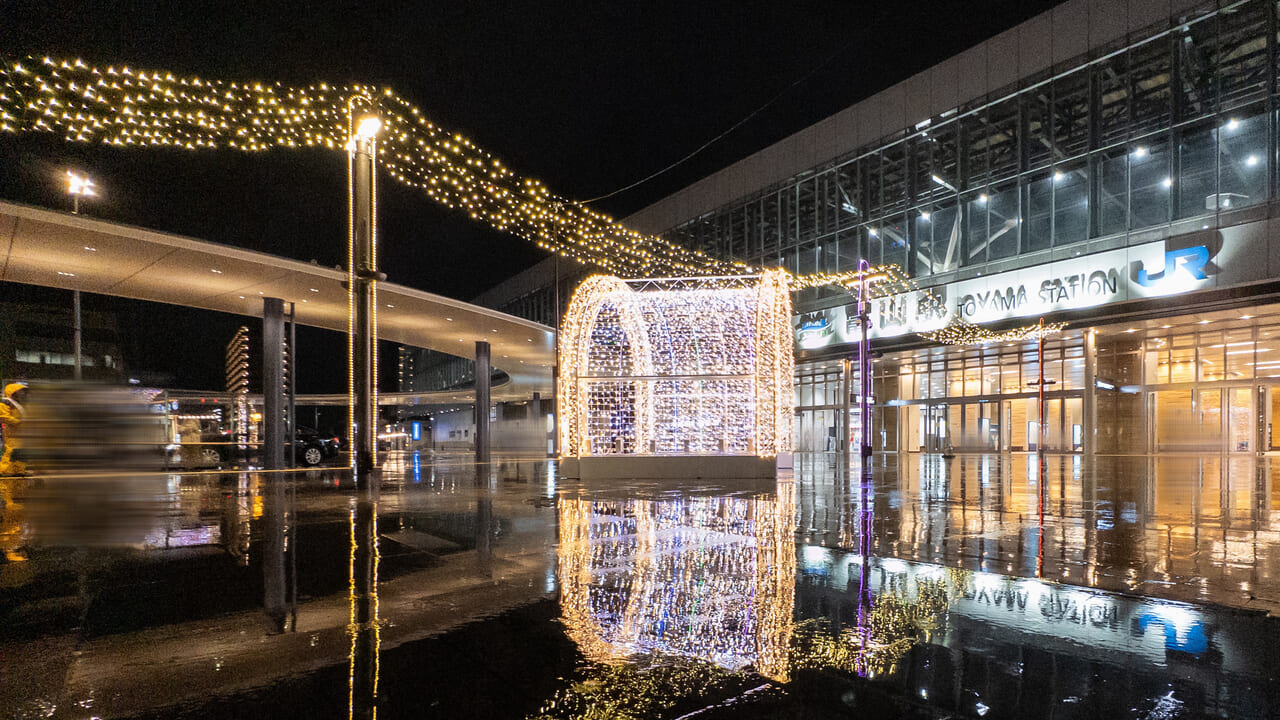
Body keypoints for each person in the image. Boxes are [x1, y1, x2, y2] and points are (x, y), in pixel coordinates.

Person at [0, 382, 28, 476]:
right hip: (12, 432)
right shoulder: (5, 402)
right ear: (13, 392)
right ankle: (4, 471)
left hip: (20, 432)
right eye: (21, 391)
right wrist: (18, 422)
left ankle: (19, 470)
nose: (23, 394)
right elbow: (4, 417)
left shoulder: (18, 403)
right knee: (11, 451)